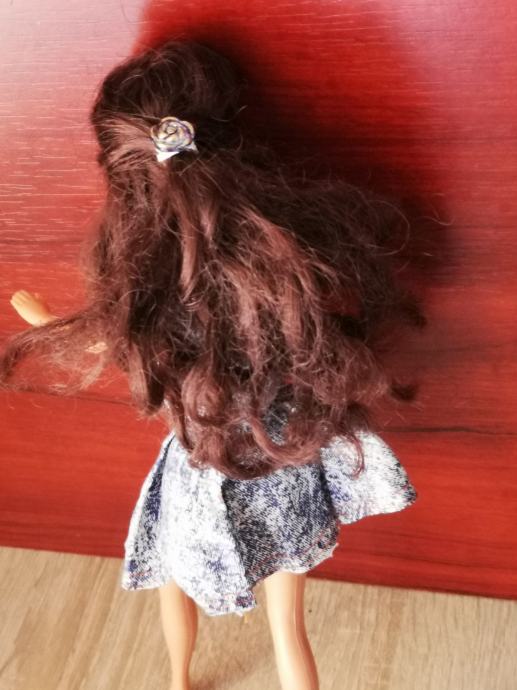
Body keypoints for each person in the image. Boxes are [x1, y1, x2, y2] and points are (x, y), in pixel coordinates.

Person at [2, 39, 425, 690]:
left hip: (203, 463)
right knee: (287, 625)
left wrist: (46, 323)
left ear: (124, 178)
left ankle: (178, 678)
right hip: (282, 453)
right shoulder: (275, 260)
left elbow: (112, 341)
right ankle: (183, 676)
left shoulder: (151, 292)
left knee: (173, 576)